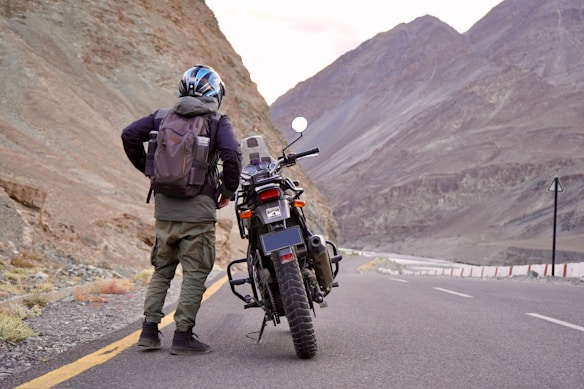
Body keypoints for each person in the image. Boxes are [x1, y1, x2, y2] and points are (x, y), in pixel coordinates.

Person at [121, 65, 242, 354]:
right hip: (198, 212)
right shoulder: (216, 121)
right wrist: (226, 191)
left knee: (162, 270)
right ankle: (183, 336)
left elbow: (129, 135)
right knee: (195, 272)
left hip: (164, 210)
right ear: (215, 92)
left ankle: (149, 333)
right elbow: (232, 155)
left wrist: (151, 172)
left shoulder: (161, 117)